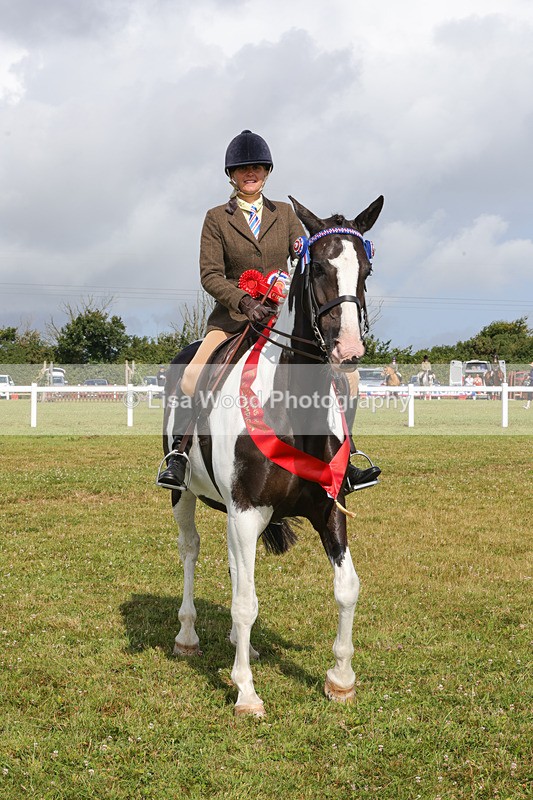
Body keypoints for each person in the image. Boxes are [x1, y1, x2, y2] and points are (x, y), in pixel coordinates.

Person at [157, 129, 381, 492]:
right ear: (231, 174)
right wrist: (243, 302)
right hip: (231, 321)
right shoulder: (216, 218)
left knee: (349, 379)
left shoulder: (287, 214)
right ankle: (180, 456)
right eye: (243, 168)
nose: (251, 173)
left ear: (267, 172)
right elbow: (210, 275)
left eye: (258, 168)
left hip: (284, 322)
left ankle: (348, 455)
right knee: (189, 378)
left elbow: (306, 262)